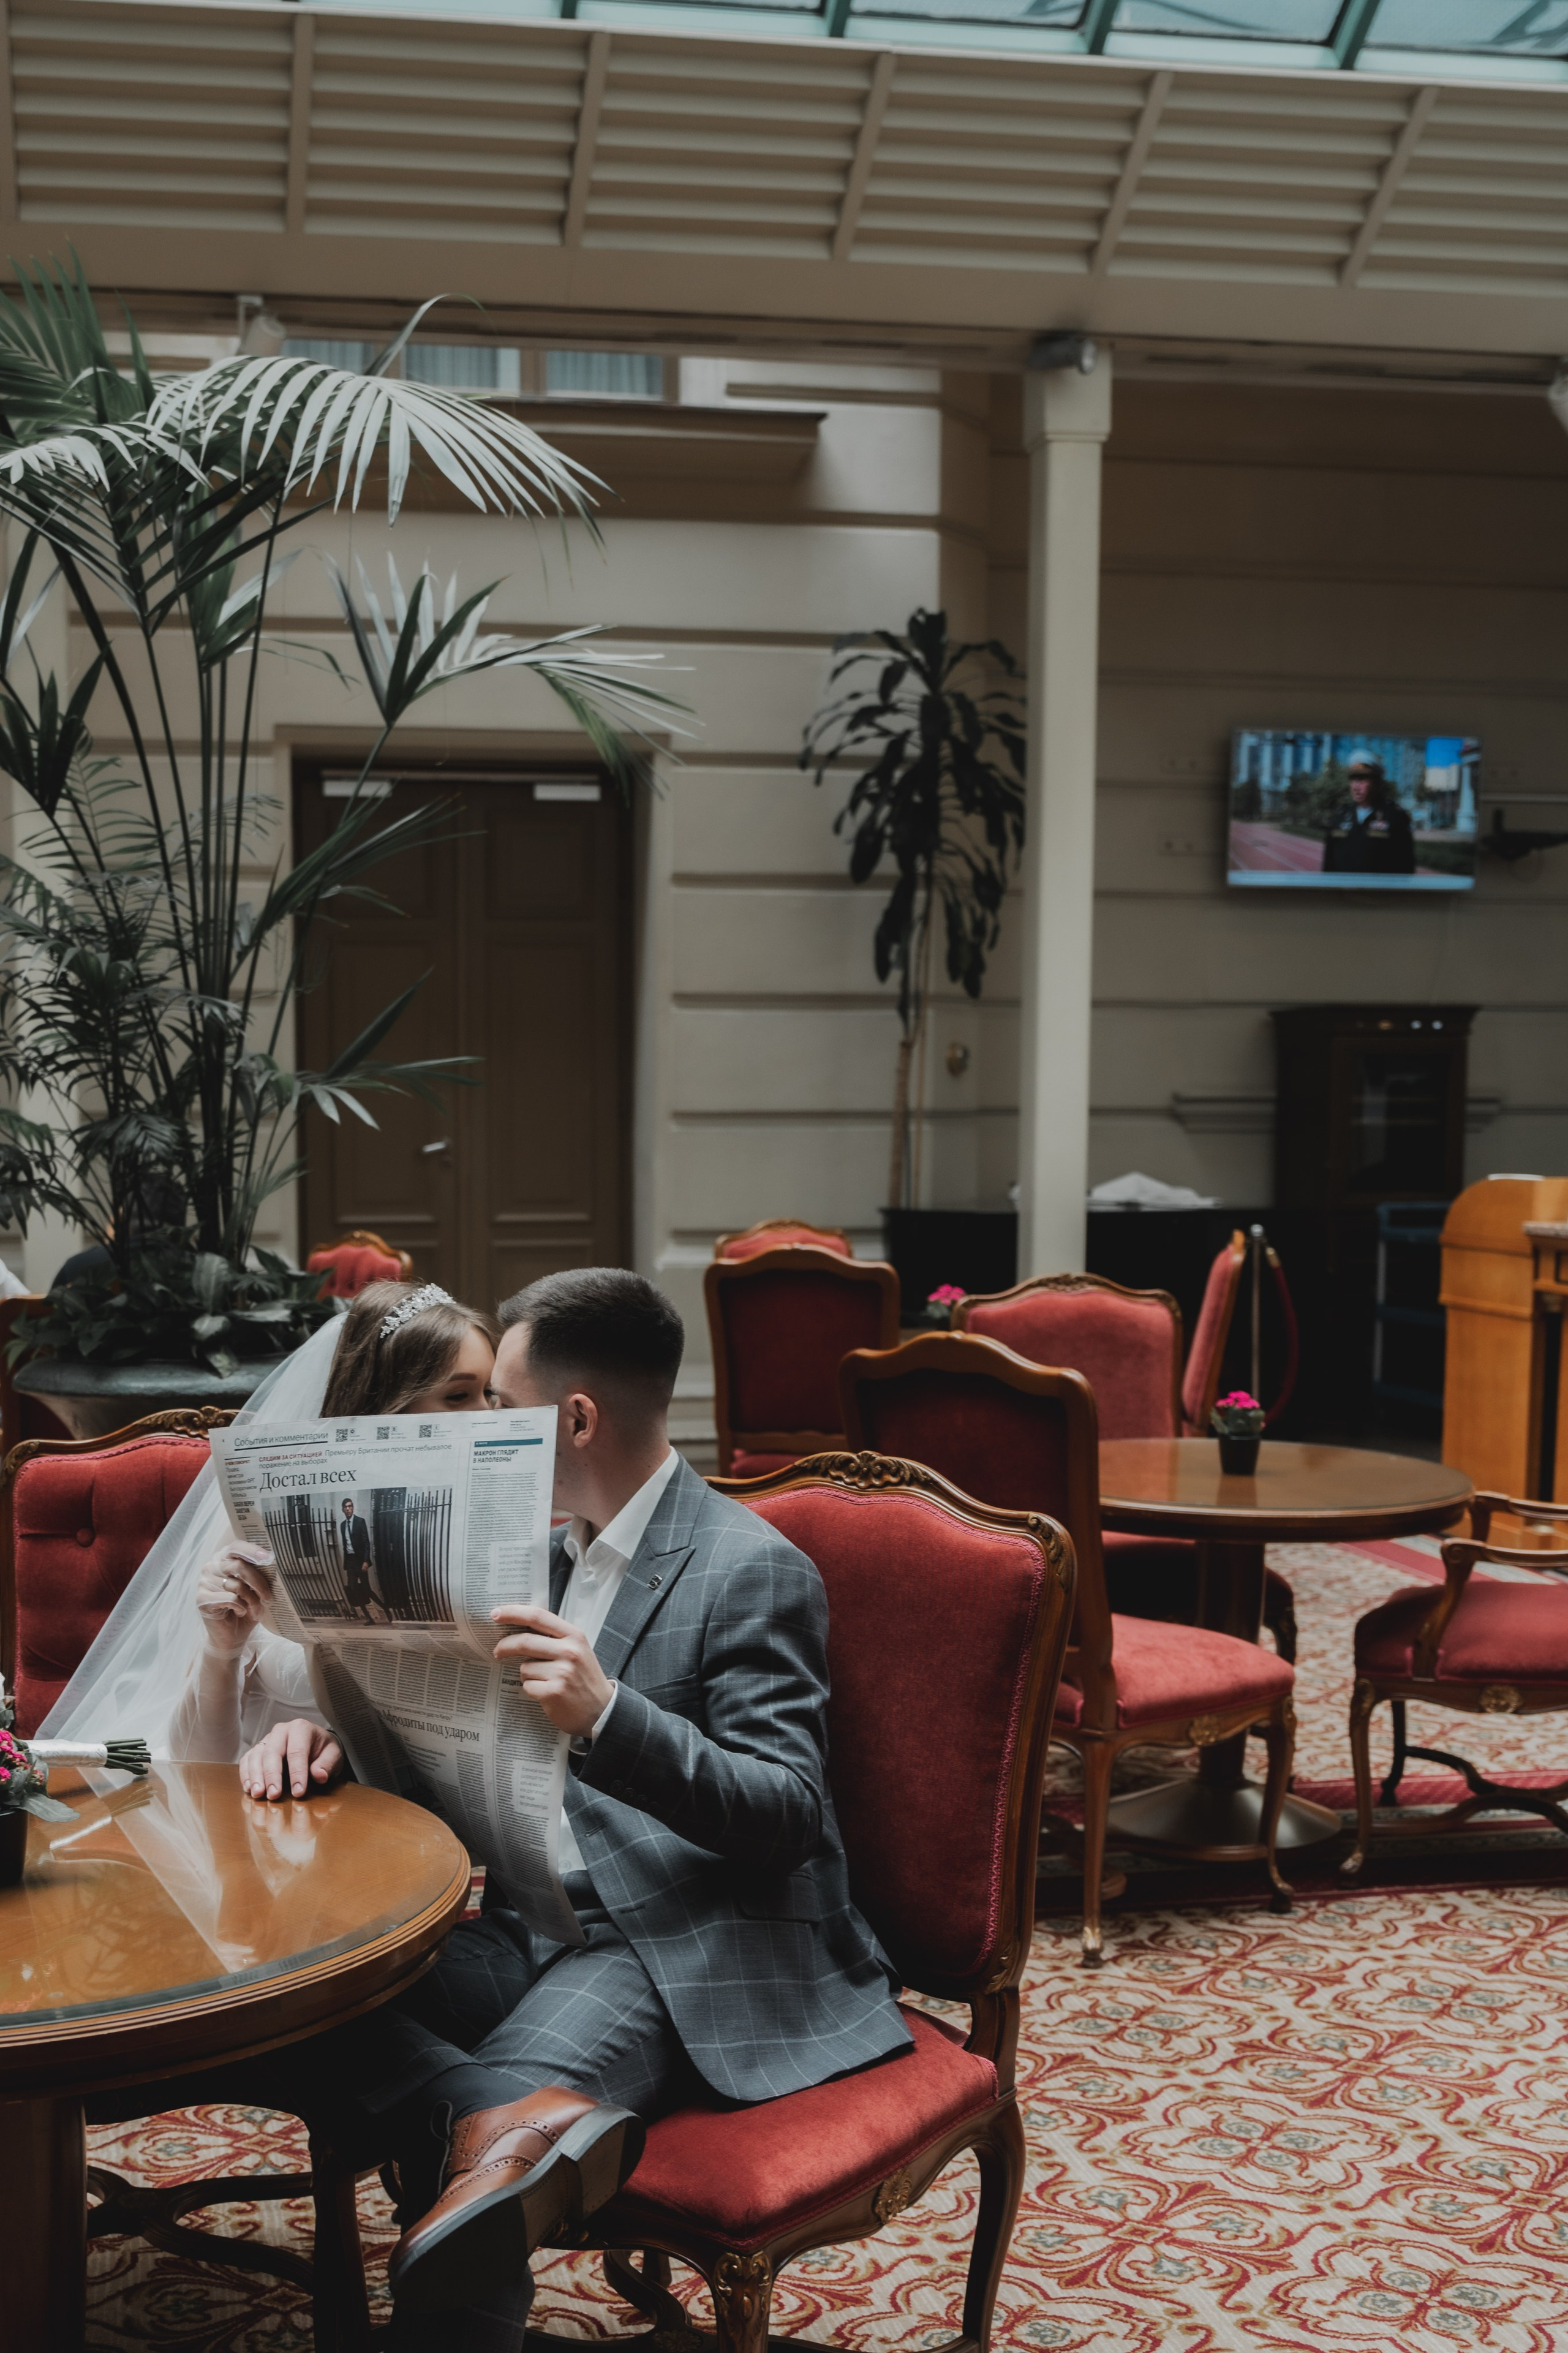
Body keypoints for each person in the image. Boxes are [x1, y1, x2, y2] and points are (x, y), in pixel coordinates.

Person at [239, 1267, 911, 2350]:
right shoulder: (533, 1559)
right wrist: (334, 1739)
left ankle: (491, 2138)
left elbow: (788, 1814)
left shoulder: (750, 1565)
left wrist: (610, 1716)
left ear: (578, 1418)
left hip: (670, 1938)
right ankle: (493, 2116)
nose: (483, 1434)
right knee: (285, 1995)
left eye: (502, 1408)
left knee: (480, 2179)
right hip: (526, 1917)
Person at [42, 1279, 497, 1766]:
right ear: (385, 1403)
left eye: (491, 1394)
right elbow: (195, 1760)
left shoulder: (500, 1527)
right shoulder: (260, 1523)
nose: (488, 1416)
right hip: (264, 1795)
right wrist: (222, 1650)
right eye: (458, 1396)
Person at [1322, 752, 1417, 875]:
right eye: (1353, 779)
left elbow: (1406, 866)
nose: (1356, 786)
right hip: (1343, 887)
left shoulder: (1395, 816)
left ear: (1376, 782)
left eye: (1362, 779)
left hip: (1380, 887)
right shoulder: (1340, 816)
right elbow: (1328, 864)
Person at [337, 1495, 375, 1621]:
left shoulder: (360, 1521)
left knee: (367, 1589)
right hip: (350, 1561)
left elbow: (366, 1543)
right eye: (346, 1507)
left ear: (353, 1508)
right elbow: (345, 1545)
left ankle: (385, 1608)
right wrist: (347, 1563)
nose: (348, 1509)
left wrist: (365, 1561)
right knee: (353, 1589)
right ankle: (369, 1618)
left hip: (360, 1561)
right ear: (343, 1510)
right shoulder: (342, 1525)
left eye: (350, 1506)